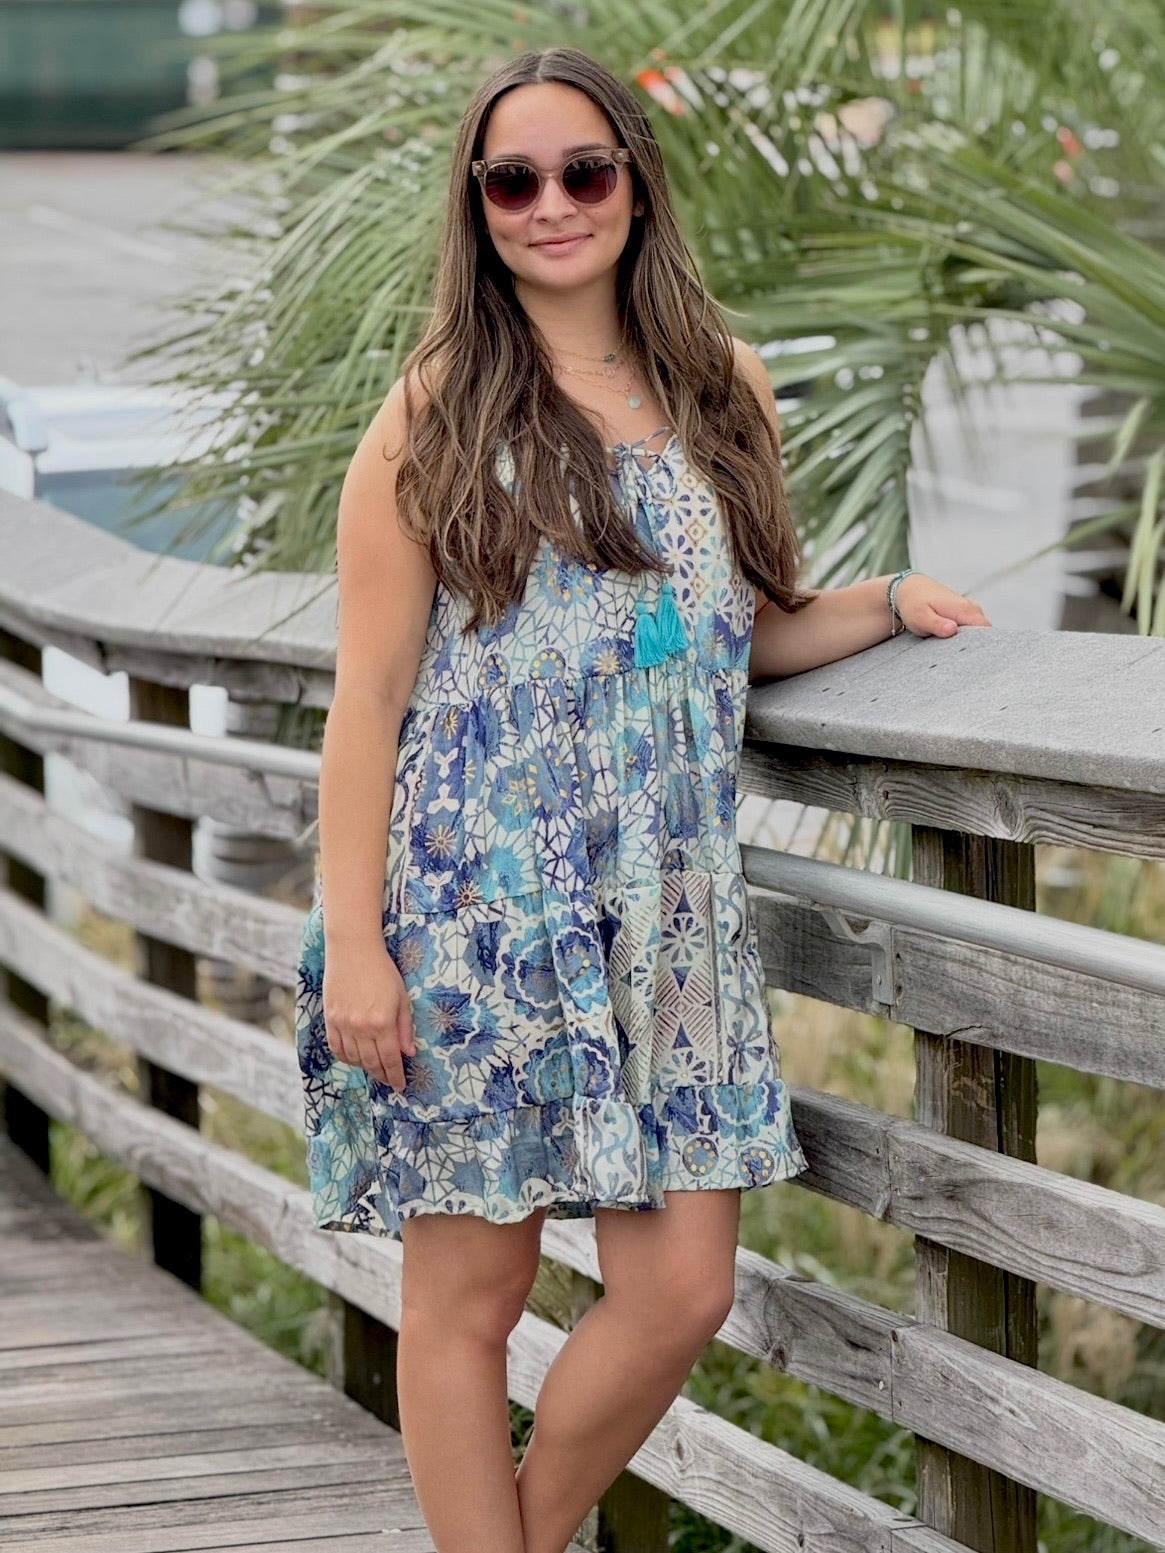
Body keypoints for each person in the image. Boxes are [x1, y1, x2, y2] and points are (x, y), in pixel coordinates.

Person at [295, 45, 990, 1553]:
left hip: (671, 911)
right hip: (478, 907)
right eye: (513, 181)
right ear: (477, 207)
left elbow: (740, 629)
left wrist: (881, 604)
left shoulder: (723, 385)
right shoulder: (431, 412)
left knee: (681, 1288)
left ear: (633, 183)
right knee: (469, 1296)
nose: (552, 203)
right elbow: (367, 701)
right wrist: (356, 944)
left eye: (583, 170)